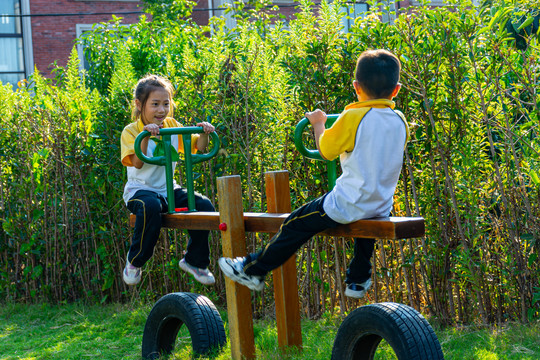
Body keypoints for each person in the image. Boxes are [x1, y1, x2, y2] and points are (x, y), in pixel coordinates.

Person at [218, 49, 409, 298]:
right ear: (396, 90)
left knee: (294, 226)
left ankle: (253, 269)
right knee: (366, 229)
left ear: (356, 87)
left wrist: (319, 123)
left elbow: (327, 150)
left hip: (346, 203)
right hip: (381, 204)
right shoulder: (399, 119)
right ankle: (358, 280)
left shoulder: (353, 116)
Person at [120, 74, 217, 286]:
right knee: (150, 207)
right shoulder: (131, 131)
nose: (161, 110)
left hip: (168, 190)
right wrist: (145, 136)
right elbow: (137, 163)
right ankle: (135, 262)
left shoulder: (172, 125)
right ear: (139, 104)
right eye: (155, 104)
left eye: (166, 104)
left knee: (204, 205)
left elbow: (197, 147)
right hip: (140, 191)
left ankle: (195, 261)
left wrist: (205, 133)